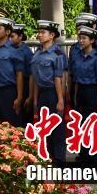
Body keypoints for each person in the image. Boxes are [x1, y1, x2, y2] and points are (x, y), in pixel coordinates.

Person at [30, 20, 66, 166]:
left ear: (52, 35)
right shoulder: (38, 53)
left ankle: (59, 161)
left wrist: (60, 99)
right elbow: (36, 77)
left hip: (53, 93)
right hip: (42, 93)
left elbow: (59, 79)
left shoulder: (57, 54)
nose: (40, 35)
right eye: (39, 32)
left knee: (57, 129)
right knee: (45, 128)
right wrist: (34, 99)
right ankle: (49, 159)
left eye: (43, 32)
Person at [69, 25, 97, 164]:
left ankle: (96, 159)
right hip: (81, 92)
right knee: (82, 124)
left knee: (94, 125)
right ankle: (84, 156)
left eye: (84, 38)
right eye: (80, 38)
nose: (81, 40)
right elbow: (76, 78)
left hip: (93, 92)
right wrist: (75, 95)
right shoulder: (78, 58)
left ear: (91, 40)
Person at [0, 17, 23, 126]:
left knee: (10, 123)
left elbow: (19, 74)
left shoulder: (13, 50)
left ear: (7, 32)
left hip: (8, 91)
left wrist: (19, 97)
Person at [10, 23, 33, 125]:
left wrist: (30, 96)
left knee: (24, 118)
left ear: (20, 37)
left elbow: (32, 74)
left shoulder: (26, 52)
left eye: (12, 36)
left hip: (25, 85)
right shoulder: (11, 49)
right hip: (14, 84)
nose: (10, 39)